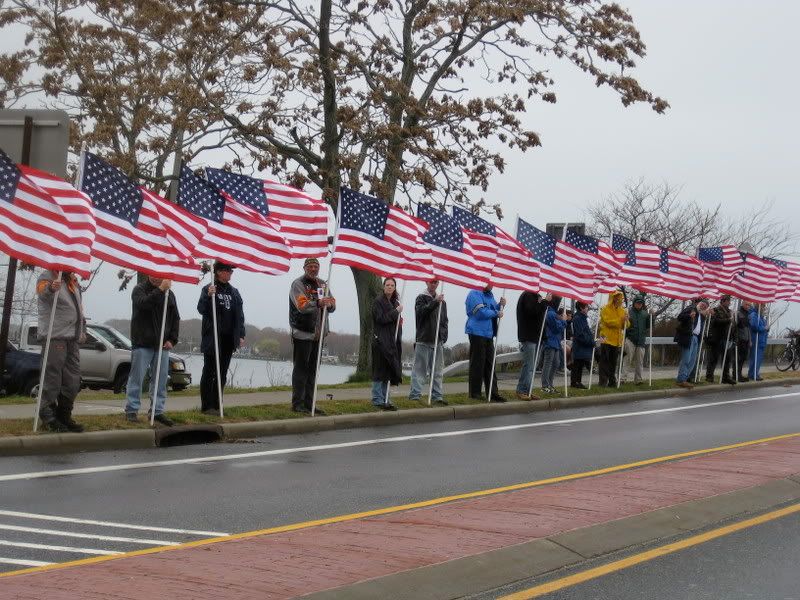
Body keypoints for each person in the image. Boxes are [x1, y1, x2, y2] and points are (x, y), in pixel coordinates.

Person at [35, 270, 86, 432]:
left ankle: (64, 415)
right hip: (55, 335)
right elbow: (42, 294)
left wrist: (83, 329)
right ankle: (47, 416)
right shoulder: (47, 277)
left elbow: (79, 310)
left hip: (72, 338)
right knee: (52, 377)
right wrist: (51, 288)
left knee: (73, 380)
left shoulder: (72, 281)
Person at [124, 275, 180, 425]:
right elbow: (144, 304)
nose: (157, 278)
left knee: (161, 380)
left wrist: (172, 339)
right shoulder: (139, 290)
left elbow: (175, 318)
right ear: (149, 274)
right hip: (143, 342)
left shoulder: (170, 294)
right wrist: (161, 289)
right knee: (137, 378)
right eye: (154, 275)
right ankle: (131, 410)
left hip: (162, 345)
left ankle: (157, 411)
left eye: (160, 275)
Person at [197, 262, 245, 415]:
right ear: (218, 272)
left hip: (228, 339)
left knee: (222, 373)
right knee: (209, 372)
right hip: (213, 338)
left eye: (231, 271)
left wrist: (241, 334)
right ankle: (207, 406)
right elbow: (201, 309)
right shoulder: (209, 288)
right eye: (227, 271)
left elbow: (240, 316)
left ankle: (218, 405)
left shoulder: (235, 292)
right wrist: (209, 296)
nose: (230, 273)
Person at [289, 257, 336, 415]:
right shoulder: (298, 284)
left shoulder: (323, 283)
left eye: (316, 266)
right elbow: (301, 305)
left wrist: (330, 303)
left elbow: (333, 303)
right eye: (310, 266)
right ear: (304, 268)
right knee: (301, 370)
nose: (313, 268)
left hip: (319, 334)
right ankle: (297, 404)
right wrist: (318, 303)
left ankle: (310, 403)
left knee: (313, 371)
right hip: (303, 333)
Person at [409, 280, 448, 405]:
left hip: (438, 341)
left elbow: (444, 321)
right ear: (426, 282)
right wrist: (434, 303)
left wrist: (443, 335)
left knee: (437, 371)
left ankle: (437, 396)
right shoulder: (421, 298)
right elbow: (421, 313)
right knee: (419, 370)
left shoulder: (442, 302)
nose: (434, 284)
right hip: (423, 339)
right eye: (431, 282)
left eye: (436, 282)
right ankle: (415, 395)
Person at [465, 285, 506, 402]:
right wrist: (496, 312)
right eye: (489, 282)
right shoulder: (474, 293)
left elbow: (492, 309)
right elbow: (480, 312)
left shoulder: (490, 296)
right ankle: (475, 393)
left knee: (490, 364)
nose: (491, 285)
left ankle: (493, 393)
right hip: (477, 332)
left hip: (488, 333)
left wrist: (500, 305)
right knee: (477, 364)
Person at [372, 277, 403, 411]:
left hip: (392, 342)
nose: (390, 287)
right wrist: (396, 312)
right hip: (380, 341)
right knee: (379, 371)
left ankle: (386, 398)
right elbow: (380, 319)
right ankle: (377, 399)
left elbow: (397, 324)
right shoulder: (378, 302)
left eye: (392, 285)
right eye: (387, 285)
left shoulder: (396, 302)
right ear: (383, 287)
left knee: (388, 371)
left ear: (395, 287)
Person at [515, 291, 549, 399]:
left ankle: (528, 390)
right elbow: (532, 311)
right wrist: (543, 302)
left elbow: (540, 316)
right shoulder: (528, 295)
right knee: (529, 366)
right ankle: (522, 390)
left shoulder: (536, 297)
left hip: (536, 337)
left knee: (533, 367)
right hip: (529, 336)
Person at [675, 298, 710, 389]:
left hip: (696, 338)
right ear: (699, 303)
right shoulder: (691, 308)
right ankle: (681, 380)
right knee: (686, 359)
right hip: (688, 336)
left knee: (692, 361)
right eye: (702, 305)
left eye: (705, 307)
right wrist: (689, 315)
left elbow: (700, 327)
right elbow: (680, 317)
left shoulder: (701, 315)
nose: (703, 307)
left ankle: (685, 379)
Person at [598, 290, 628, 387]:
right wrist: (621, 320)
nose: (619, 299)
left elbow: (626, 325)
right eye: (617, 297)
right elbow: (608, 322)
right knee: (604, 362)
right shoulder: (605, 309)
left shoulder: (622, 310)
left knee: (613, 363)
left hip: (616, 341)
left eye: (620, 297)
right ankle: (603, 382)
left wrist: (625, 321)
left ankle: (612, 381)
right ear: (613, 298)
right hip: (606, 339)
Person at [705, 295, 735, 384]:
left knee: (727, 359)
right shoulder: (716, 310)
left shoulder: (730, 311)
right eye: (728, 301)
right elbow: (715, 321)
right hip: (717, 338)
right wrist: (728, 320)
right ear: (723, 301)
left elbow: (733, 325)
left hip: (727, 338)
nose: (729, 303)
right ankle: (709, 376)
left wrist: (734, 336)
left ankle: (725, 377)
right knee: (713, 358)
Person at [541, 301, 568, 393]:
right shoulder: (550, 313)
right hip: (550, 341)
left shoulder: (555, 314)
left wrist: (562, 320)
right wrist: (563, 321)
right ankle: (545, 385)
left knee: (556, 362)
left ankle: (550, 384)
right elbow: (556, 328)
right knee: (548, 363)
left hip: (556, 342)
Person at [623, 295, 649, 385]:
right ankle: (623, 379)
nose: (639, 304)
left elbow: (649, 326)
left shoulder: (645, 314)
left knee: (640, 362)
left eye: (640, 303)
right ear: (634, 303)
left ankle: (638, 380)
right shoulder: (628, 312)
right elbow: (624, 327)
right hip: (630, 339)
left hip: (641, 341)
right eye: (637, 302)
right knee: (627, 360)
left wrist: (652, 317)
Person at [570, 301, 595, 389]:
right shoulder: (578, 318)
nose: (588, 308)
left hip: (583, 347)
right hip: (579, 346)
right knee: (577, 365)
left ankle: (578, 381)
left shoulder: (583, 318)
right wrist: (591, 342)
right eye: (586, 306)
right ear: (581, 307)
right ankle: (575, 382)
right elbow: (580, 334)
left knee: (580, 365)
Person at [748, 304, 769, 381]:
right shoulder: (754, 315)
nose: (764, 308)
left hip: (761, 340)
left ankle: (755, 373)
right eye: (763, 307)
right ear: (759, 307)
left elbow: (765, 327)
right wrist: (764, 328)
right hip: (756, 340)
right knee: (755, 358)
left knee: (758, 359)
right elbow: (754, 326)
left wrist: (766, 328)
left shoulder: (761, 316)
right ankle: (752, 374)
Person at [736, 301, 752, 381]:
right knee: (738, 358)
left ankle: (739, 375)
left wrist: (750, 340)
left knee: (743, 358)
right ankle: (737, 375)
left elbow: (748, 329)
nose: (748, 306)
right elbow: (735, 327)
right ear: (742, 304)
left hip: (746, 339)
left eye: (749, 305)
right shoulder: (738, 313)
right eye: (746, 304)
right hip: (740, 339)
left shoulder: (747, 314)